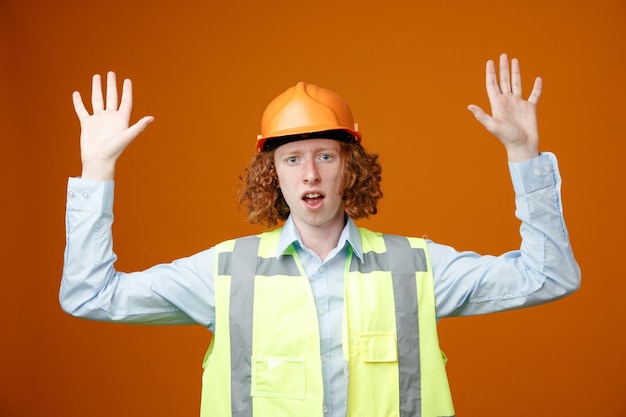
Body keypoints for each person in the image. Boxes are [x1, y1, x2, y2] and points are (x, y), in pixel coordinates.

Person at [60, 54, 581, 417]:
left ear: (348, 168)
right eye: (292, 159)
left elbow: (548, 276)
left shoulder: (415, 267)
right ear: (274, 175)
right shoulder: (225, 273)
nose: (309, 173)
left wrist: (524, 156)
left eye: (325, 156)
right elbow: (90, 295)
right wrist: (96, 168)